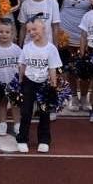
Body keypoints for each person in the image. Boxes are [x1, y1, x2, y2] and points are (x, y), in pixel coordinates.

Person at [16, 19, 62, 153]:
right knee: (25, 112)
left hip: (44, 84)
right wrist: (20, 82)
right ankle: (22, 139)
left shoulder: (51, 48)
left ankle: (44, 140)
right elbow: (22, 65)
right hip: (29, 82)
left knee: (44, 112)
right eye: (29, 30)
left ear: (44, 28)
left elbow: (53, 68)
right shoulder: (27, 47)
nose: (31, 32)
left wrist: (53, 87)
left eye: (34, 29)